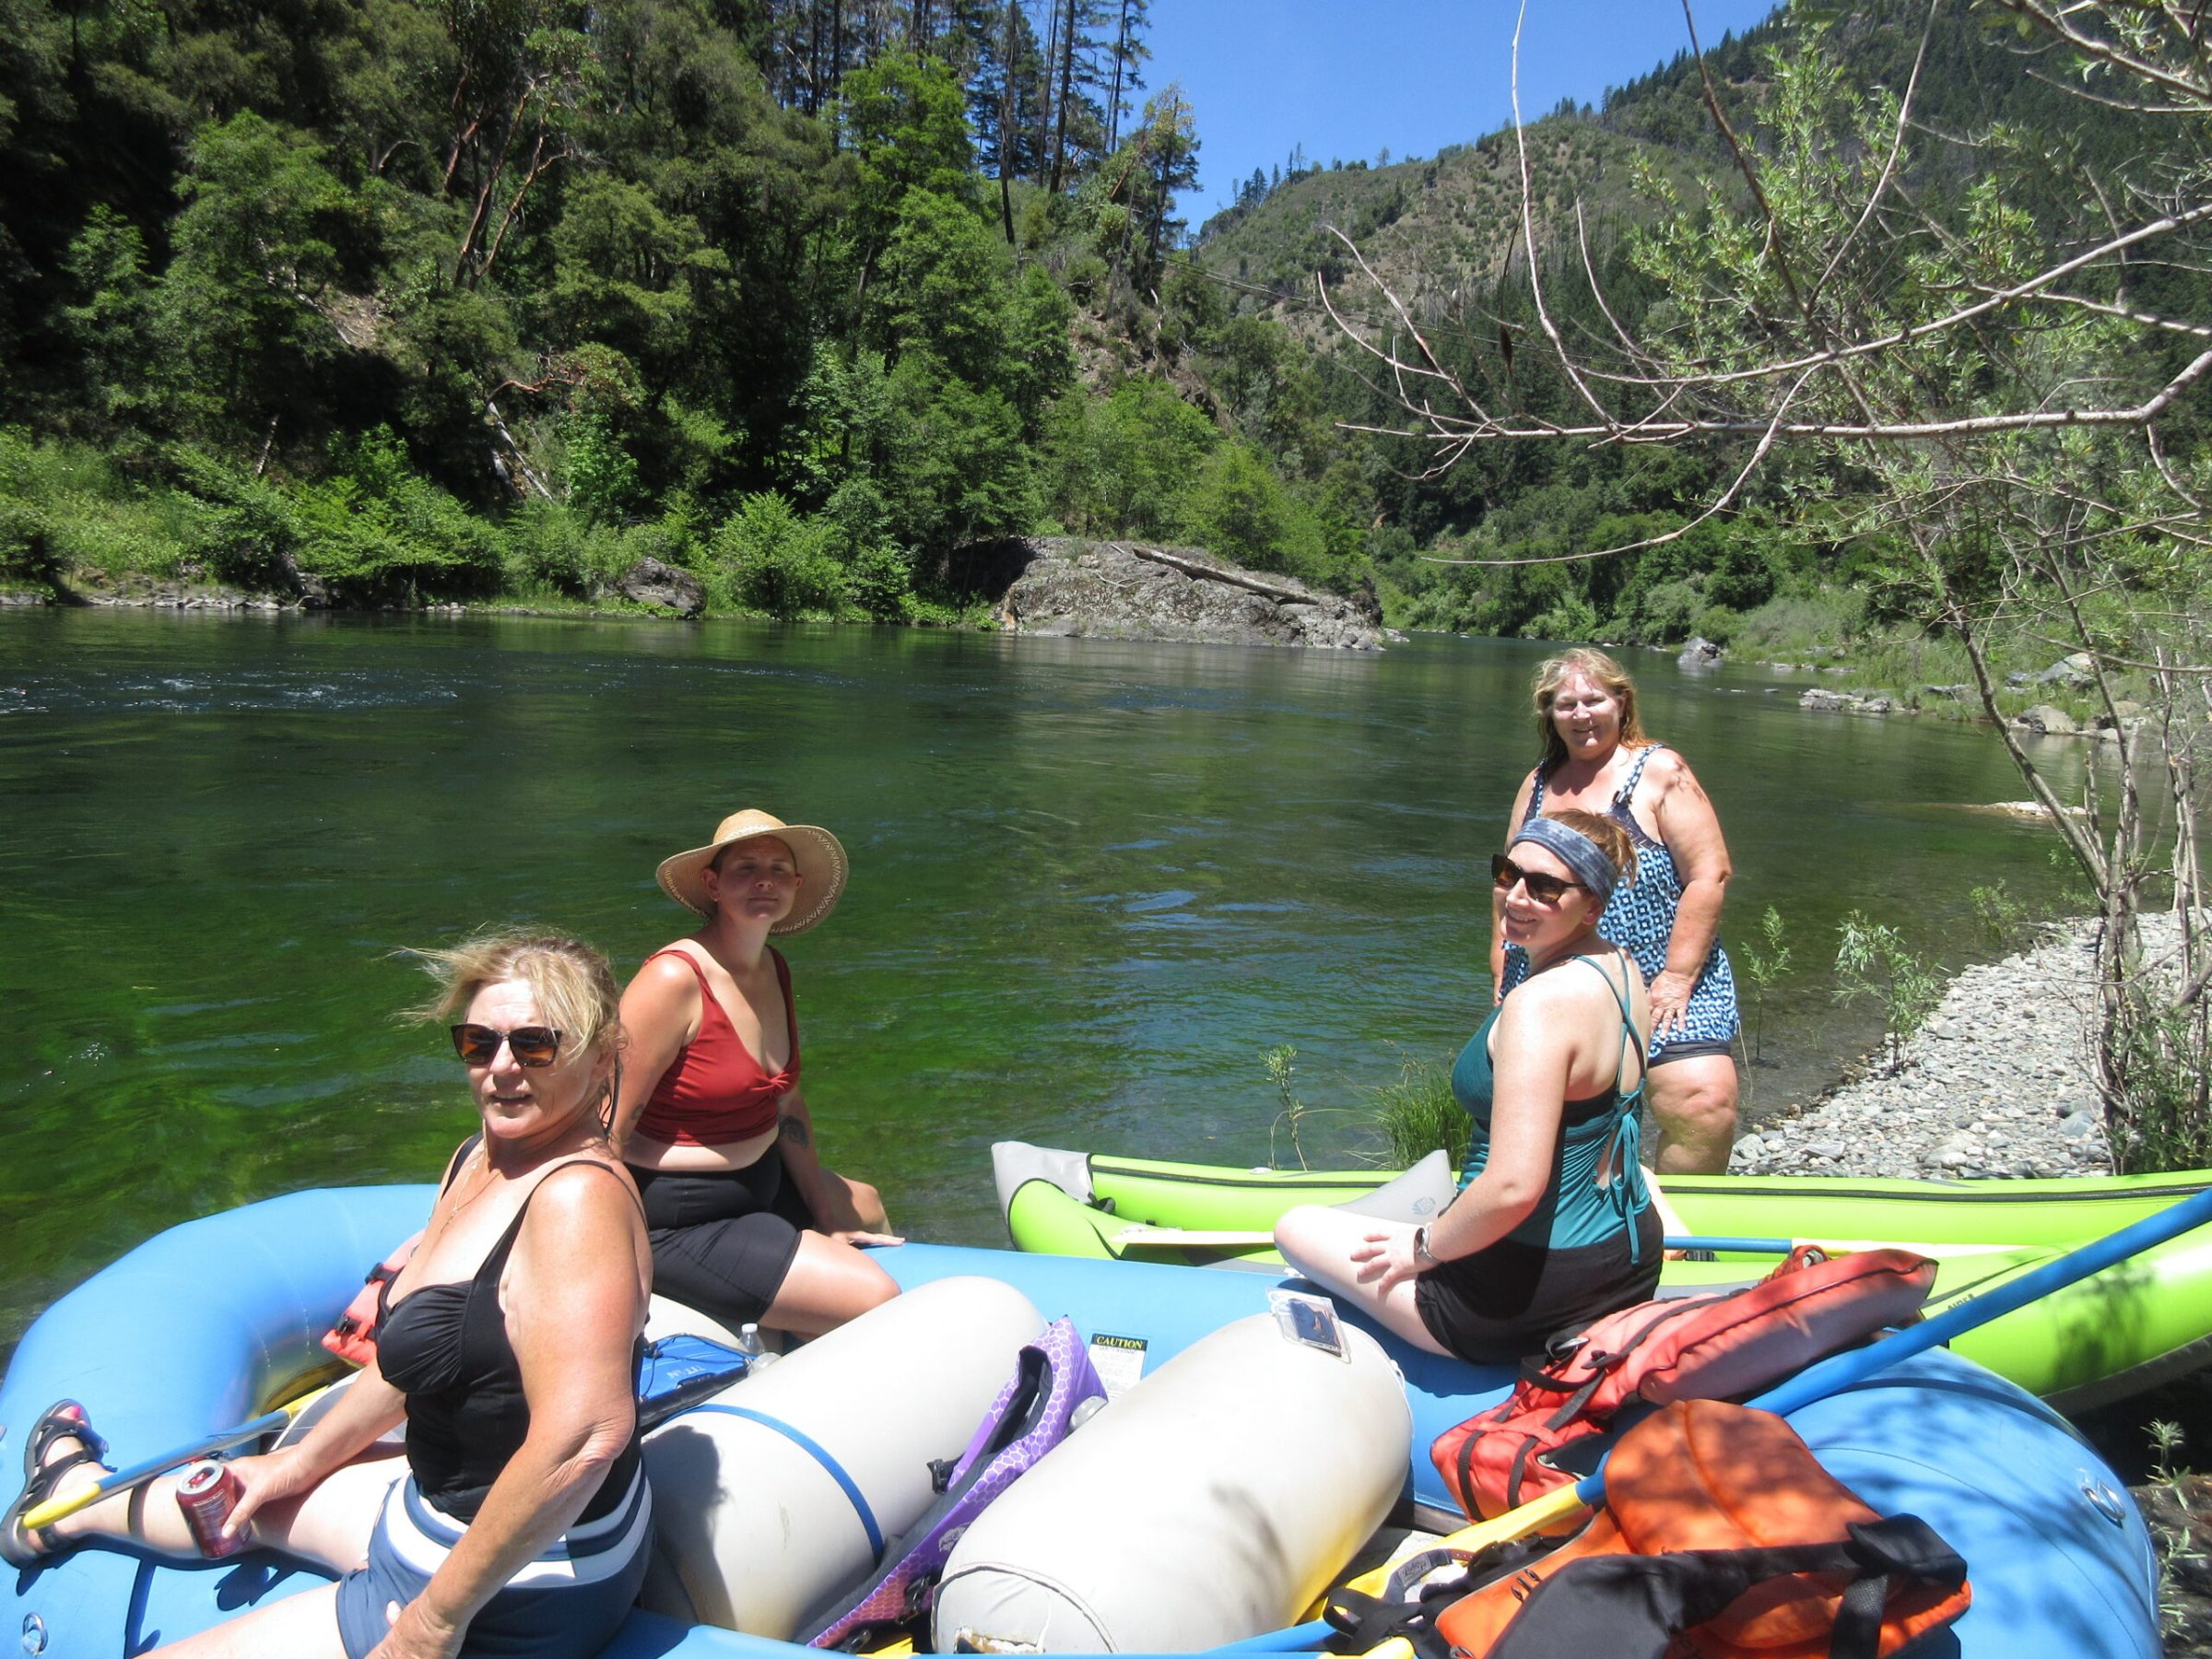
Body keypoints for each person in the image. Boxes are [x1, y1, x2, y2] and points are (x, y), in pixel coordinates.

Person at [2, 932, 656, 1659]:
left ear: (600, 1059)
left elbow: (584, 1441)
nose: (501, 1068)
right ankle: (69, 1500)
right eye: (479, 1043)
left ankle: (77, 1500)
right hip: (436, 1510)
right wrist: (298, 1464)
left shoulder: (575, 1204)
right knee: (248, 1495)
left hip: (518, 1583)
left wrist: (429, 1626)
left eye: (535, 1046)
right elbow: (421, 1362)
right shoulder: (481, 1157)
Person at [1276, 811, 1660, 1362]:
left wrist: (1423, 1249)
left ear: (1592, 906)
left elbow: (1512, 1187)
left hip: (1523, 1290)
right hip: (1628, 1264)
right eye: (1509, 874)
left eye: (1546, 887)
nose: (1518, 897)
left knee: (1297, 1226)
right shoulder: (1621, 967)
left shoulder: (1541, 1005)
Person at [612, 808, 899, 1340]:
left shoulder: (773, 966)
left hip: (759, 1184)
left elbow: (786, 1105)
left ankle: (799, 1338)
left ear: (796, 885)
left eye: (776, 868)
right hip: (681, 1216)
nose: (763, 880)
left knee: (867, 1205)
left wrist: (824, 1213)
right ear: (712, 885)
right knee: (875, 1296)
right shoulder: (674, 979)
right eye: (745, 868)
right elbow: (608, 1124)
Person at [1491, 647, 1739, 1174]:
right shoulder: (1538, 784)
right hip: (1555, 978)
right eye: (1566, 705)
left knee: (1703, 1104)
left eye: (1593, 700)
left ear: (1621, 703)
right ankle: (1590, 1227)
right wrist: (1500, 965)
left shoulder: (1660, 771)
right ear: (1549, 715)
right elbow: (1509, 881)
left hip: (1663, 977)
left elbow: (1709, 874)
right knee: (1565, 1118)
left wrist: (1676, 978)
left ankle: (1682, 1234)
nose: (1581, 714)